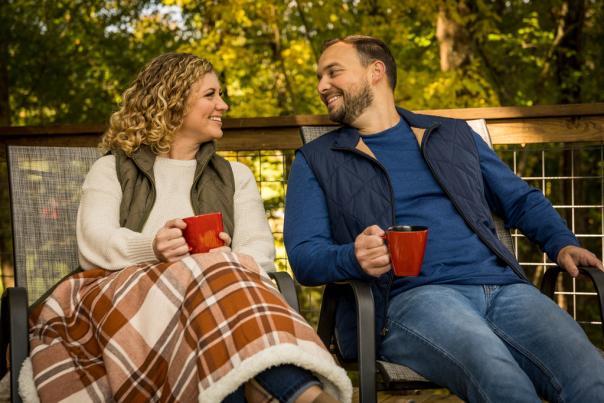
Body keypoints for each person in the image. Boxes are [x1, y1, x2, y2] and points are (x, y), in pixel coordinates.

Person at [284, 35, 604, 402]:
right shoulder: (317, 159)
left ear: (376, 72)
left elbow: (519, 199)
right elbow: (305, 257)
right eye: (319, 76)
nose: (321, 86)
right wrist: (352, 257)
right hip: (411, 300)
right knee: (500, 378)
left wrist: (562, 243)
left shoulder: (451, 135)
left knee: (591, 375)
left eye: (333, 72)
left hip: (504, 289)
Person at [24, 53, 351, 403]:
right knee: (214, 280)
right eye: (210, 95)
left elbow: (260, 253)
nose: (223, 105)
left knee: (218, 281)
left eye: (220, 95)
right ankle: (307, 395)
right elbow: (94, 243)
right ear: (173, 102)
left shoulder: (234, 177)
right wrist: (153, 248)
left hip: (216, 304)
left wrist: (219, 259)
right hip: (128, 306)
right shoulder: (113, 169)